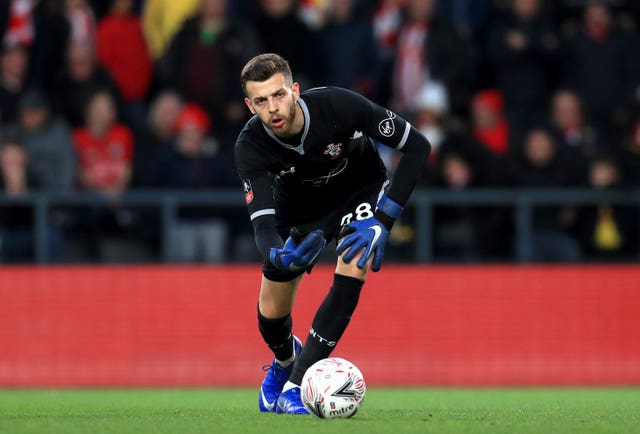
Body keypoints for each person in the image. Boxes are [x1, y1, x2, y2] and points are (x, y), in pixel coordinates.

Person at [234, 53, 430, 414]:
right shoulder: (249, 146)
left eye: (279, 95)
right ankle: (284, 361)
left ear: (295, 90)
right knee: (271, 315)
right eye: (261, 101)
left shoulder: (339, 106)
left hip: (359, 194)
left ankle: (296, 386)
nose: (273, 108)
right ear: (250, 105)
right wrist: (278, 254)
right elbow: (262, 224)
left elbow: (418, 146)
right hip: (298, 214)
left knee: (355, 259)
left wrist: (384, 220)